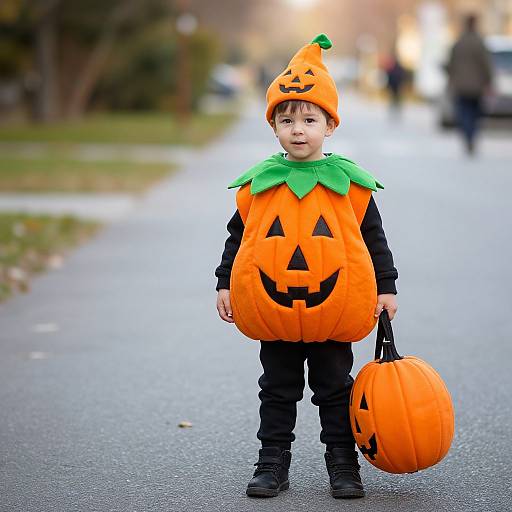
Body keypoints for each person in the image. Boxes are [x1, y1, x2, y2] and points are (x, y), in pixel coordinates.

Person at [215, 34, 398, 499]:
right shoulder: (260, 186)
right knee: (277, 390)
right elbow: (241, 238)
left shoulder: (349, 187)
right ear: (274, 126)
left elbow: (372, 240)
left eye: (310, 119)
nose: (298, 129)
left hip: (333, 311)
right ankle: (271, 462)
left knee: (335, 389)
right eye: (287, 119)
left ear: (329, 126)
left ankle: (343, 463)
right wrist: (224, 283)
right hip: (275, 314)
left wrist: (386, 286)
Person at [446, 14, 493, 155]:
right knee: (475, 113)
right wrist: (489, 81)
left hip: (460, 86)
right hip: (477, 87)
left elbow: (450, 64)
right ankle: (471, 135)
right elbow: (486, 65)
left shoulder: (458, 43)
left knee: (463, 113)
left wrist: (451, 79)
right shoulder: (480, 42)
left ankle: (467, 135)